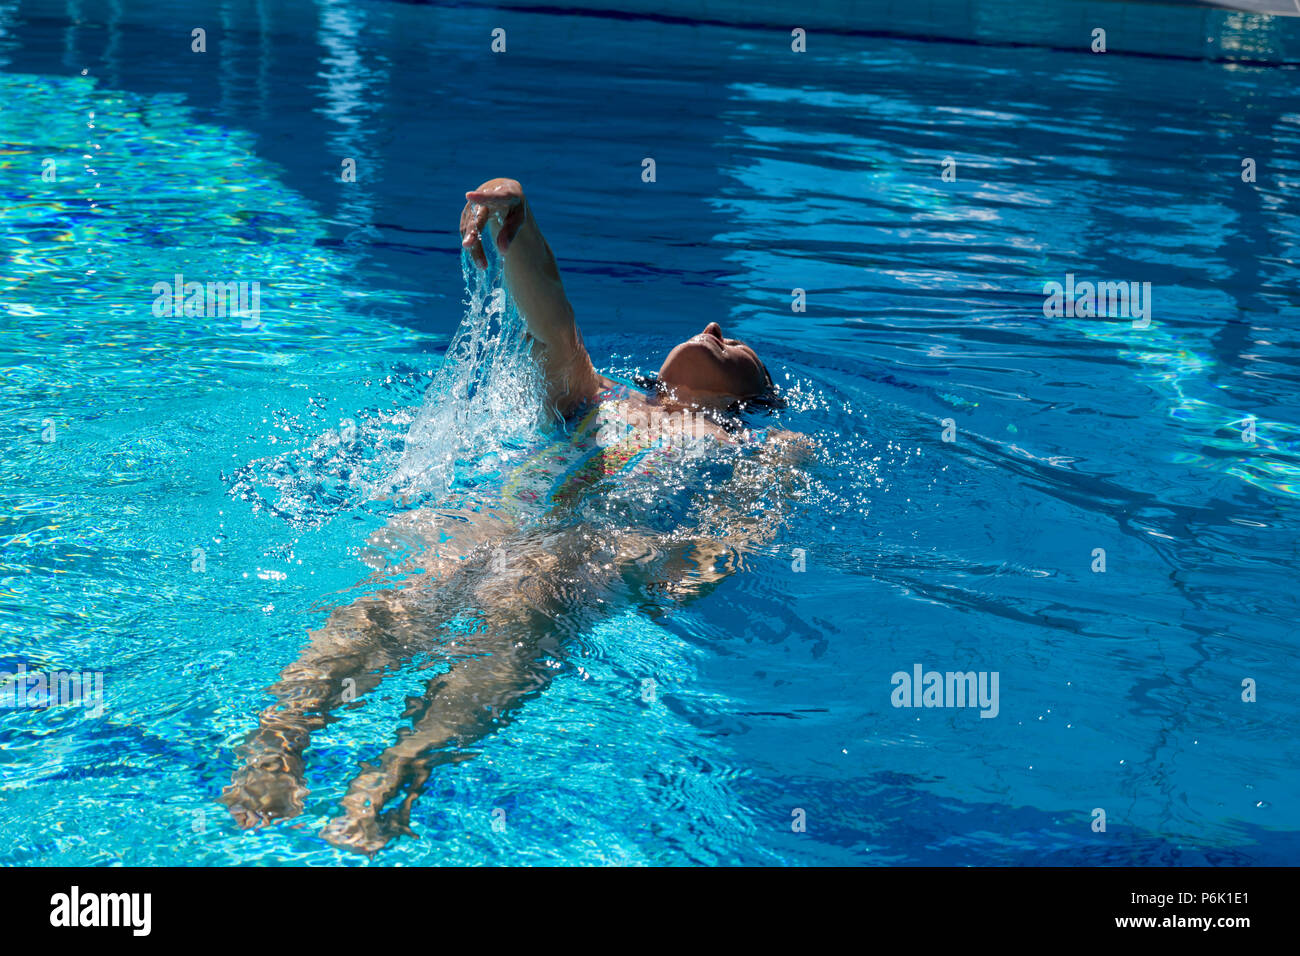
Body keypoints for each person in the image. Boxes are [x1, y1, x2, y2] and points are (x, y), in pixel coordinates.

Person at [220, 178, 810, 854]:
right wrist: (518, 223)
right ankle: (280, 738)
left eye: (736, 347)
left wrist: (775, 478)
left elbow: (736, 530)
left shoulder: (737, 443)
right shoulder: (600, 400)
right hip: (497, 529)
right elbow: (553, 324)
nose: (713, 328)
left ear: (752, 399)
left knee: (510, 641)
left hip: (585, 555)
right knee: (393, 608)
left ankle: (393, 776)